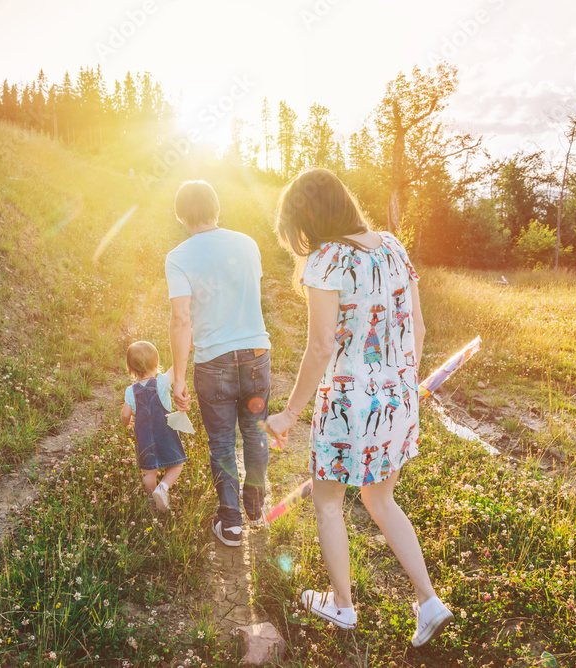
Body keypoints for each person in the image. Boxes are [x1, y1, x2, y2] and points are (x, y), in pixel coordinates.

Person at [264, 168, 454, 646]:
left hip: (348, 403)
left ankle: (344, 607)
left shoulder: (325, 258)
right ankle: (429, 602)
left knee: (328, 504)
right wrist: (398, 383)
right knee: (380, 498)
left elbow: (322, 344)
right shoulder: (392, 244)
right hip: (398, 396)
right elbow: (420, 329)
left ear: (306, 217)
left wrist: (288, 414)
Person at [166, 180, 272, 548]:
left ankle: (231, 524)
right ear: (216, 208)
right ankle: (256, 508)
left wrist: (178, 378)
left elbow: (181, 319)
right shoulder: (247, 244)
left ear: (181, 215)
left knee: (223, 443)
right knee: (255, 434)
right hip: (256, 355)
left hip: (213, 363)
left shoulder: (179, 256)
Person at [121, 341, 187, 513]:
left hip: (144, 439)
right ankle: (163, 488)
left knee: (149, 473)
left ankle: (152, 501)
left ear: (131, 368)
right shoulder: (161, 382)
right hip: (166, 434)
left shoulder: (130, 391)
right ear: (156, 364)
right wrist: (186, 346)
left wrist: (126, 424)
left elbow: (125, 414)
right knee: (176, 465)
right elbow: (176, 369)